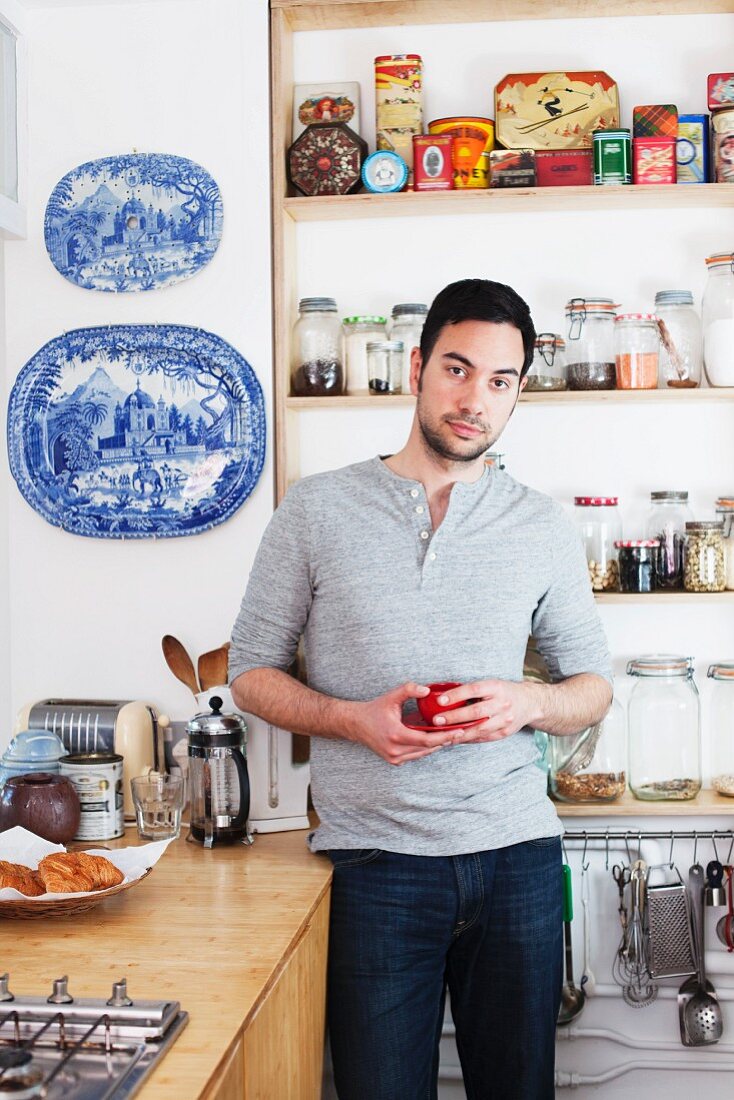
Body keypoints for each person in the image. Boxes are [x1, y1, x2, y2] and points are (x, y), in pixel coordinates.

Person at [229, 278, 613, 1100]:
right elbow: (249, 672)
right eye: (458, 369)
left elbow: (593, 686)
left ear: (518, 393)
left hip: (516, 861)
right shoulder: (316, 509)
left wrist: (528, 703)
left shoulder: (539, 525)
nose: (476, 398)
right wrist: (350, 721)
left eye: (501, 381)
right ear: (417, 367)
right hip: (374, 867)